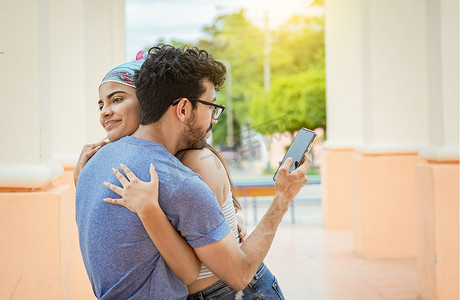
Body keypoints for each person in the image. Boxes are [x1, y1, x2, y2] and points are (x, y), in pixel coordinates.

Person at [76, 44, 309, 299]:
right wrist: (283, 198)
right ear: (184, 108)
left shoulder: (91, 165)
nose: (214, 118)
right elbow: (239, 274)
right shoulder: (179, 180)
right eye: (211, 107)